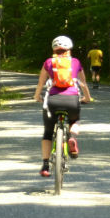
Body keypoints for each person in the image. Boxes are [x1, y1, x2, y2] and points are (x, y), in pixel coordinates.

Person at [33, 35, 93, 176]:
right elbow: (83, 83)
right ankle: (72, 137)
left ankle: (46, 165)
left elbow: (41, 83)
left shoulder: (48, 62)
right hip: (71, 100)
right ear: (69, 48)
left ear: (54, 49)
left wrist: (37, 96)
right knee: (75, 120)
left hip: (53, 101)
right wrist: (87, 98)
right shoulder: (76, 62)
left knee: (48, 133)